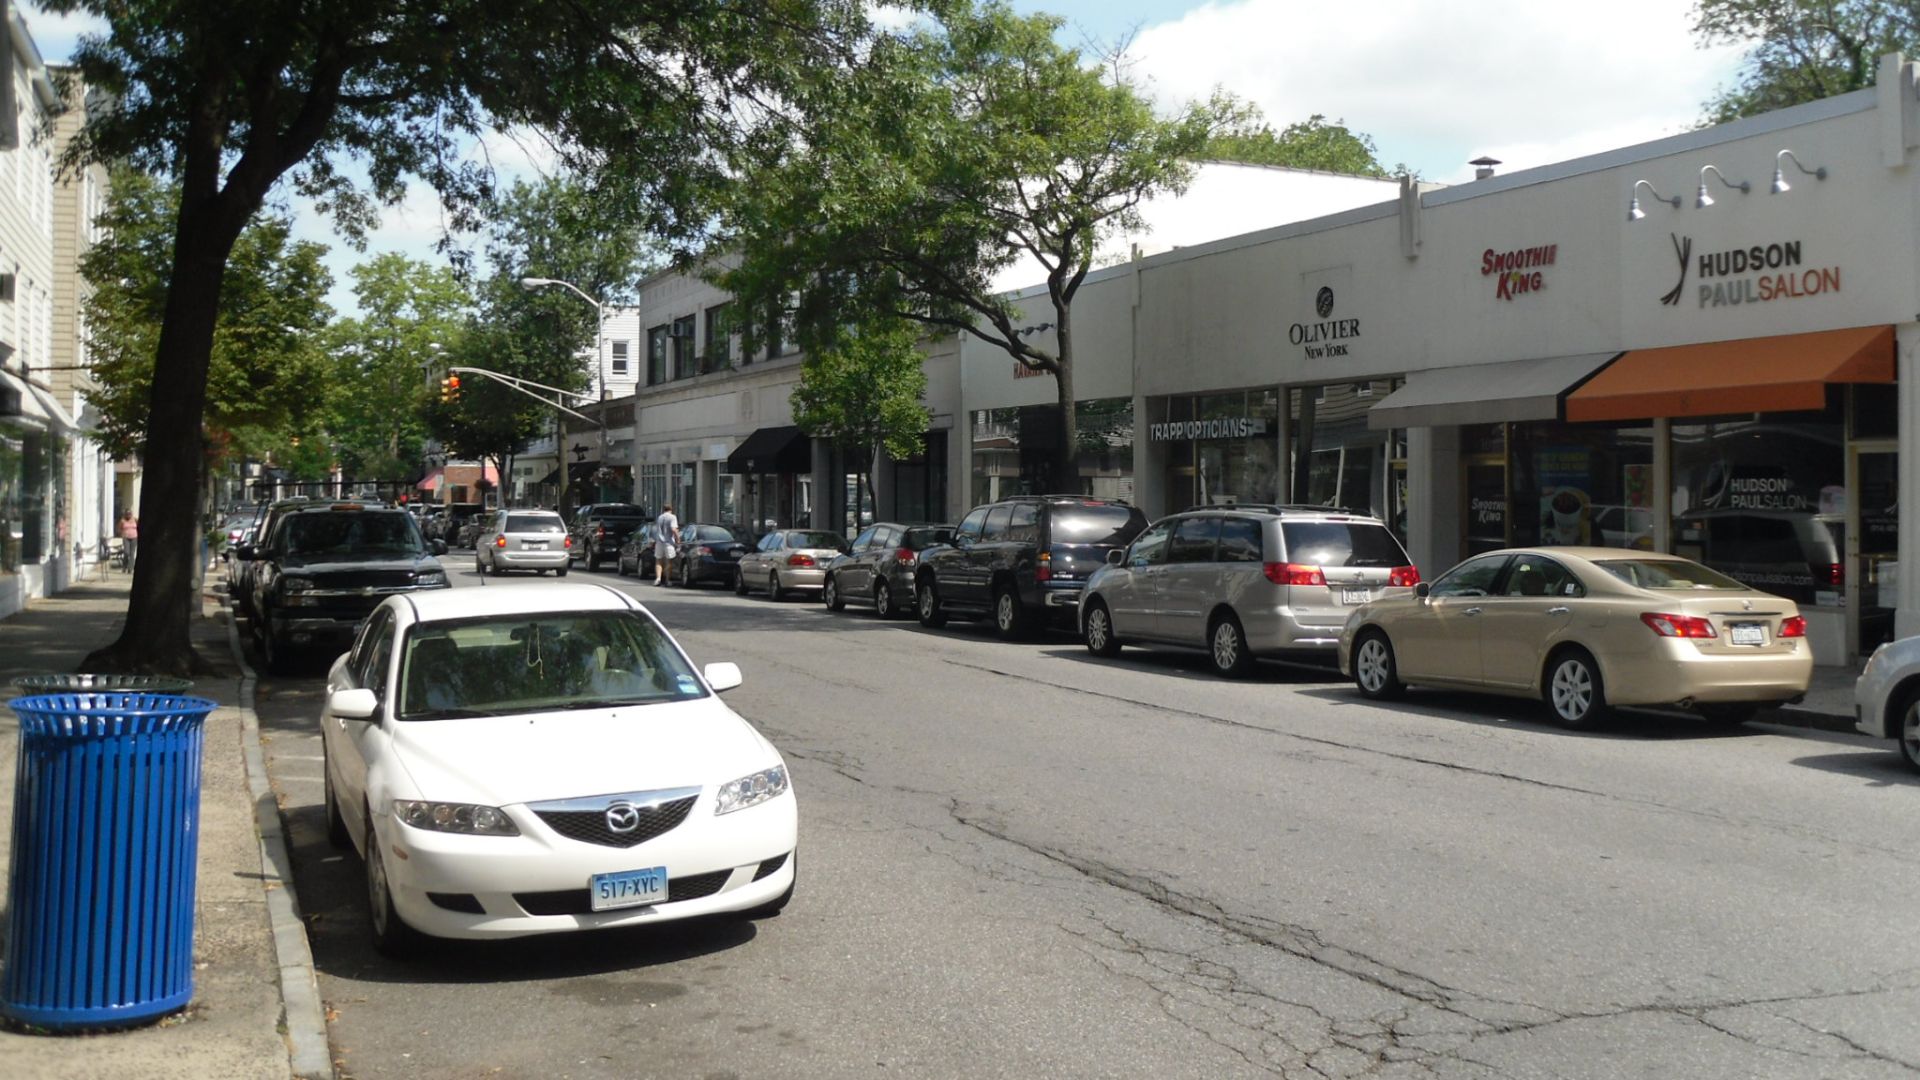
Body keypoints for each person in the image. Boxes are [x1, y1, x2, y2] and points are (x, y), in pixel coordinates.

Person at [653, 503, 679, 586]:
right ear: (671, 509)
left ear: (663, 509)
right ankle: (667, 580)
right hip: (668, 542)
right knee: (669, 561)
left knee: (658, 561)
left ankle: (658, 578)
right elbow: (673, 529)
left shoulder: (659, 517)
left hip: (659, 542)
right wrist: (678, 539)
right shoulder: (672, 517)